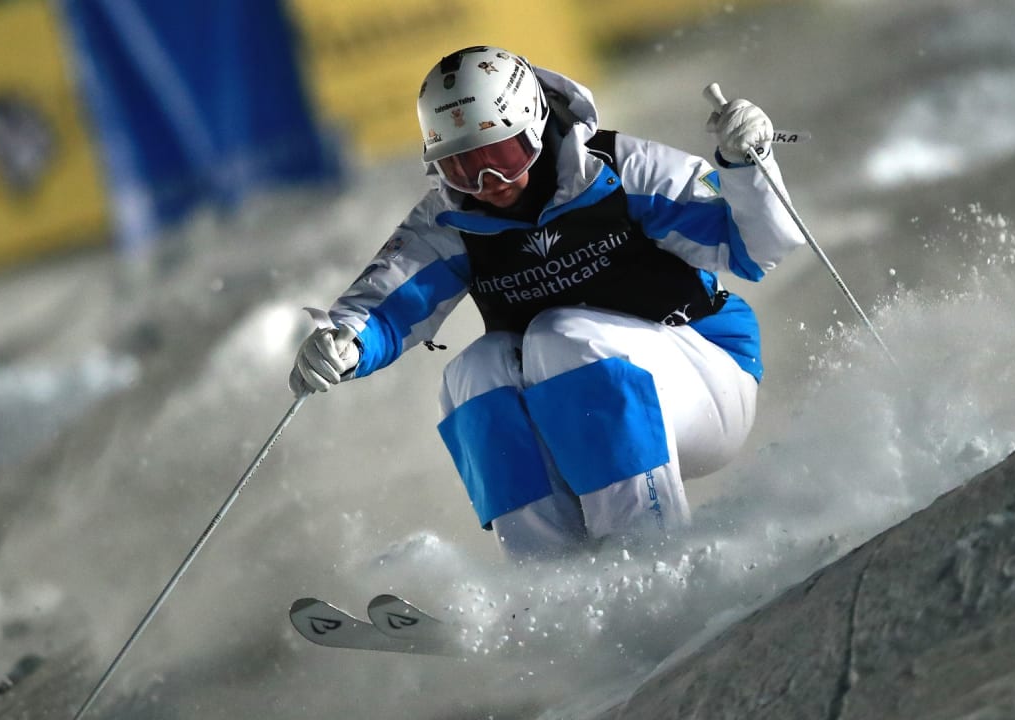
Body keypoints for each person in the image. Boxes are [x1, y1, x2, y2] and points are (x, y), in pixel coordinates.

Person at [289, 46, 804, 560]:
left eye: (502, 156)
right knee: (474, 372)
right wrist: (343, 343)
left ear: (534, 126)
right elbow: (382, 306)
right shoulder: (449, 221)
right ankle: (549, 575)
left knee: (559, 337)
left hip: (706, 380)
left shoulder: (624, 170)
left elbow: (757, 246)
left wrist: (747, 167)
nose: (488, 184)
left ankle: (652, 554)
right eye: (461, 166)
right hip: (580, 410)